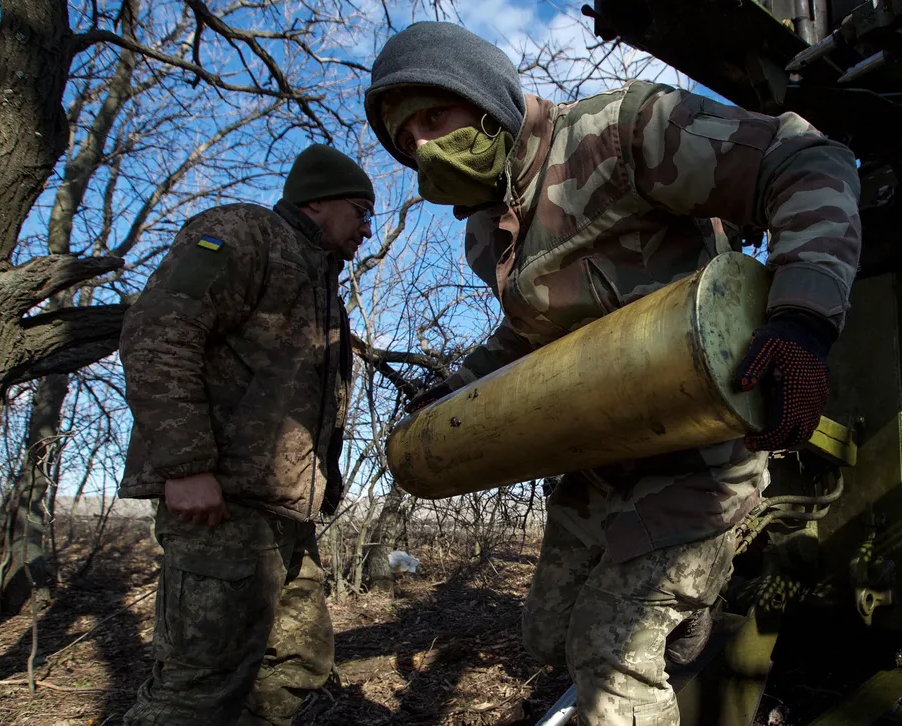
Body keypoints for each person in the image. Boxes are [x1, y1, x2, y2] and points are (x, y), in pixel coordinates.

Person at [364, 21, 861, 725]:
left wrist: (803, 317)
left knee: (610, 658)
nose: (420, 146)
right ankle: (688, 616)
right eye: (404, 138)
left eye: (432, 118)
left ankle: (682, 599)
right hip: (599, 464)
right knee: (546, 637)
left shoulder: (618, 133)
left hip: (698, 452)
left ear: (484, 101)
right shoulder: (487, 234)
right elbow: (533, 337)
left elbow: (807, 159)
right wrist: (459, 385)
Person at [118, 144, 374, 725]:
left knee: (295, 664)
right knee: (198, 690)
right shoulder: (241, 234)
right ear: (314, 202)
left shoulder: (321, 283)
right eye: (359, 210)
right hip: (221, 507)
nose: (366, 228)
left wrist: (320, 488)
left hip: (283, 516)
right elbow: (158, 331)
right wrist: (186, 466)